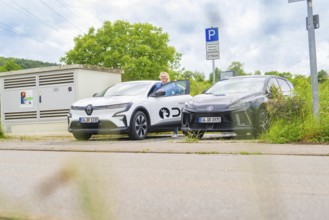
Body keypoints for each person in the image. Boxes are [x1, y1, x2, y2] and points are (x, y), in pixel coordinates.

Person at [154, 72, 179, 138]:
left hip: (169, 101)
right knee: (161, 115)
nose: (163, 78)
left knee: (172, 116)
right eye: (162, 76)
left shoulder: (171, 84)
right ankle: (158, 130)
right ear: (160, 77)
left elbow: (177, 91)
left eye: (165, 76)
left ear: (167, 77)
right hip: (159, 102)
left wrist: (175, 84)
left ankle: (175, 132)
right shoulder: (157, 85)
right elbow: (154, 93)